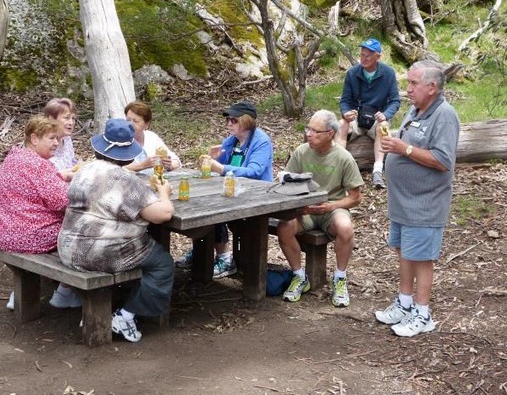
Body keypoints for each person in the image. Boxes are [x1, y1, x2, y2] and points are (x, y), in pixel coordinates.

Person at [58, 119, 175, 343]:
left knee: (143, 249)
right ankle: (125, 316)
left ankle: (120, 301)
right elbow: (163, 214)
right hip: (99, 254)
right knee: (163, 264)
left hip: (68, 247)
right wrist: (164, 193)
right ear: (129, 154)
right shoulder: (126, 180)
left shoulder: (85, 170)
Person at [374, 60, 460, 337]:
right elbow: (407, 143)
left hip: (425, 204)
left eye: (413, 83)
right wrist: (392, 141)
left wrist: (404, 149)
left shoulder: (444, 116)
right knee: (404, 252)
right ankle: (405, 303)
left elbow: (443, 160)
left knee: (422, 258)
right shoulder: (415, 110)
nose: (408, 89)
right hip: (402, 202)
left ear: (432, 87)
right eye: (408, 83)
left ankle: (423, 314)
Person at [0, 115, 81, 310]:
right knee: (82, 229)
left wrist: (62, 177)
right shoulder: (40, 165)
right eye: (51, 138)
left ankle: (34, 292)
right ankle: (66, 291)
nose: (56, 143)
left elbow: (34, 187)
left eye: (57, 139)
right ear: (34, 138)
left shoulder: (14, 157)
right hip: (25, 236)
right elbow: (63, 201)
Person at [174, 100, 274, 278]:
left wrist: (220, 168)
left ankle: (225, 259)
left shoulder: (261, 141)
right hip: (232, 192)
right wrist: (213, 159)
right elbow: (220, 170)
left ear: (246, 121)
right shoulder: (231, 141)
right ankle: (201, 251)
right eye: (228, 120)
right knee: (204, 203)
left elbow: (254, 171)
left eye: (234, 120)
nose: (229, 124)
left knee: (215, 209)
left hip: (257, 194)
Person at [277, 110, 364, 306]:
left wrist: (330, 206)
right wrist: (300, 204)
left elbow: (355, 197)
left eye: (315, 131)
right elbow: (287, 183)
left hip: (332, 208)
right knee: (284, 227)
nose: (309, 134)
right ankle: (299, 276)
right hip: (305, 209)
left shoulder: (344, 157)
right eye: (308, 129)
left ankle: (339, 278)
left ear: (330, 134)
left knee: (345, 228)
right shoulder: (301, 152)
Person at [336, 38, 401, 189]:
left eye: (368, 56)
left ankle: (377, 170)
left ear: (378, 57)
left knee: (383, 127)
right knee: (341, 124)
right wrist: (346, 112)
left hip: (377, 118)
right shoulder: (352, 73)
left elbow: (395, 101)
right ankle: (339, 167)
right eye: (362, 55)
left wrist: (385, 115)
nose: (364, 59)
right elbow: (345, 100)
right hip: (357, 117)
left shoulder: (388, 73)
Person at [123, 100, 181, 174]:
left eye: (136, 121)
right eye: (128, 120)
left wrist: (170, 165)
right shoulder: (119, 140)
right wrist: (142, 165)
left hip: (153, 179)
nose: (130, 124)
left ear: (147, 124)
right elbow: (115, 168)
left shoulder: (151, 137)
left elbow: (176, 161)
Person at [44, 98, 79, 178]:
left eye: (73, 118)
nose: (71, 123)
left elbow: (72, 164)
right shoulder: (42, 142)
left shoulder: (66, 139)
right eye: (66, 118)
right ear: (52, 119)